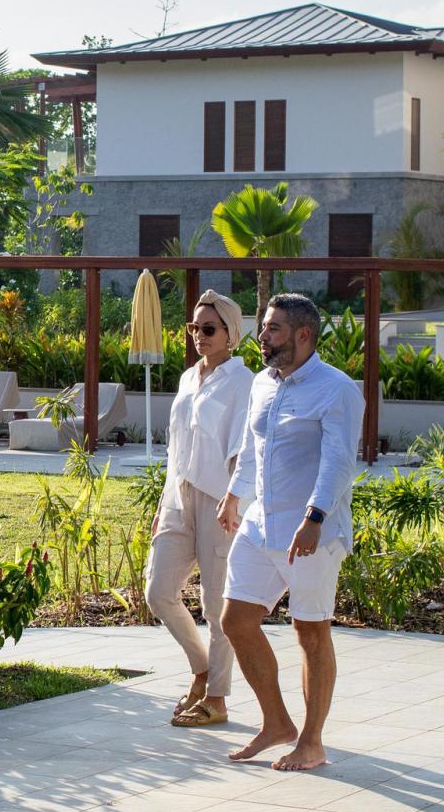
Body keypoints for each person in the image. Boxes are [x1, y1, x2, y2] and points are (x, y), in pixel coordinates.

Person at [215, 292, 363, 771]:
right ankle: (277, 723)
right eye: (263, 327)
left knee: (310, 632)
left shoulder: (336, 388)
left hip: (312, 532)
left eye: (273, 329)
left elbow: (339, 460)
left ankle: (312, 742)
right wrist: (234, 495)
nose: (263, 337)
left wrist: (314, 518)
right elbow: (252, 447)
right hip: (261, 525)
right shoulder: (262, 383)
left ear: (303, 335)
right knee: (235, 620)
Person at [144, 288, 253, 727]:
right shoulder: (189, 379)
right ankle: (202, 668)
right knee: (158, 591)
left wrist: (235, 500)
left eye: (208, 328)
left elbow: (246, 450)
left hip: (219, 498)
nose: (198, 335)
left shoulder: (245, 382)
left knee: (216, 603)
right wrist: (162, 501)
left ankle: (218, 698)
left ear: (231, 334)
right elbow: (176, 447)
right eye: (193, 327)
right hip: (179, 495)